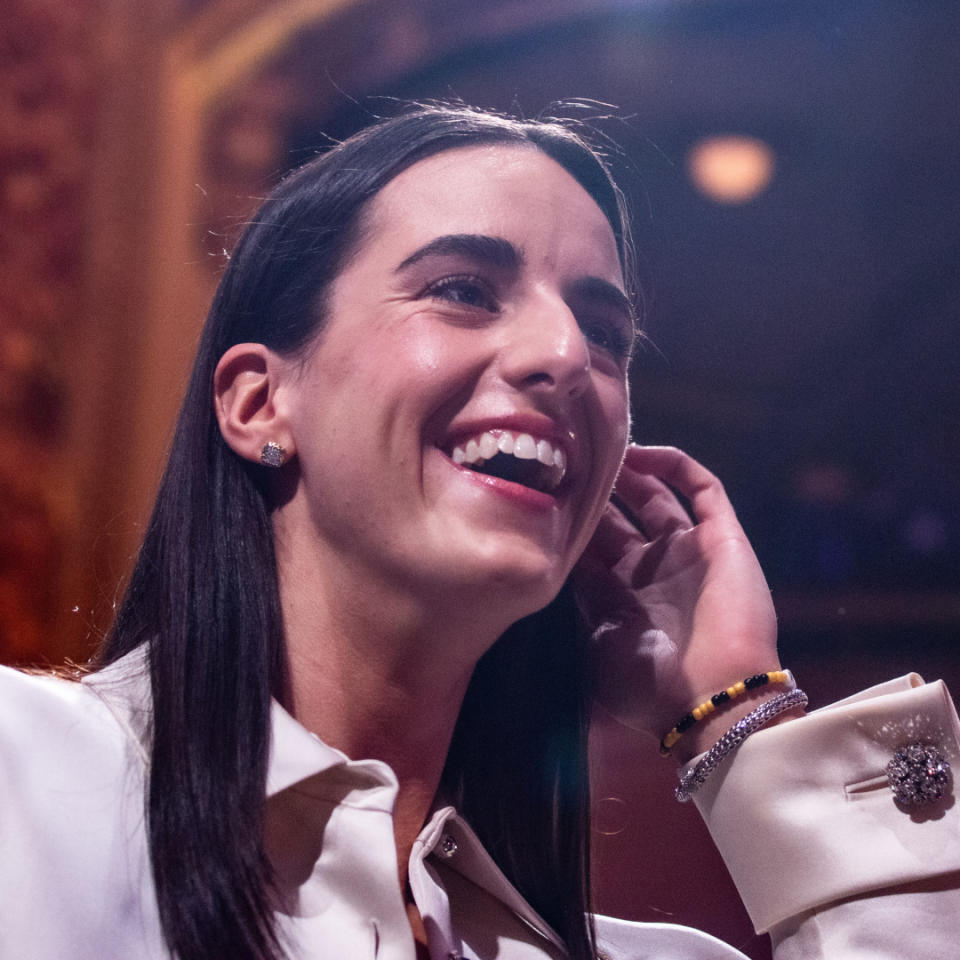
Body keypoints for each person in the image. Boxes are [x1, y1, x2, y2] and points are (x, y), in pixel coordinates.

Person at [1, 104, 958, 960]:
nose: (563, 357)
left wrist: (740, 718)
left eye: (605, 333)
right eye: (463, 288)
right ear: (259, 402)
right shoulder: (24, 782)